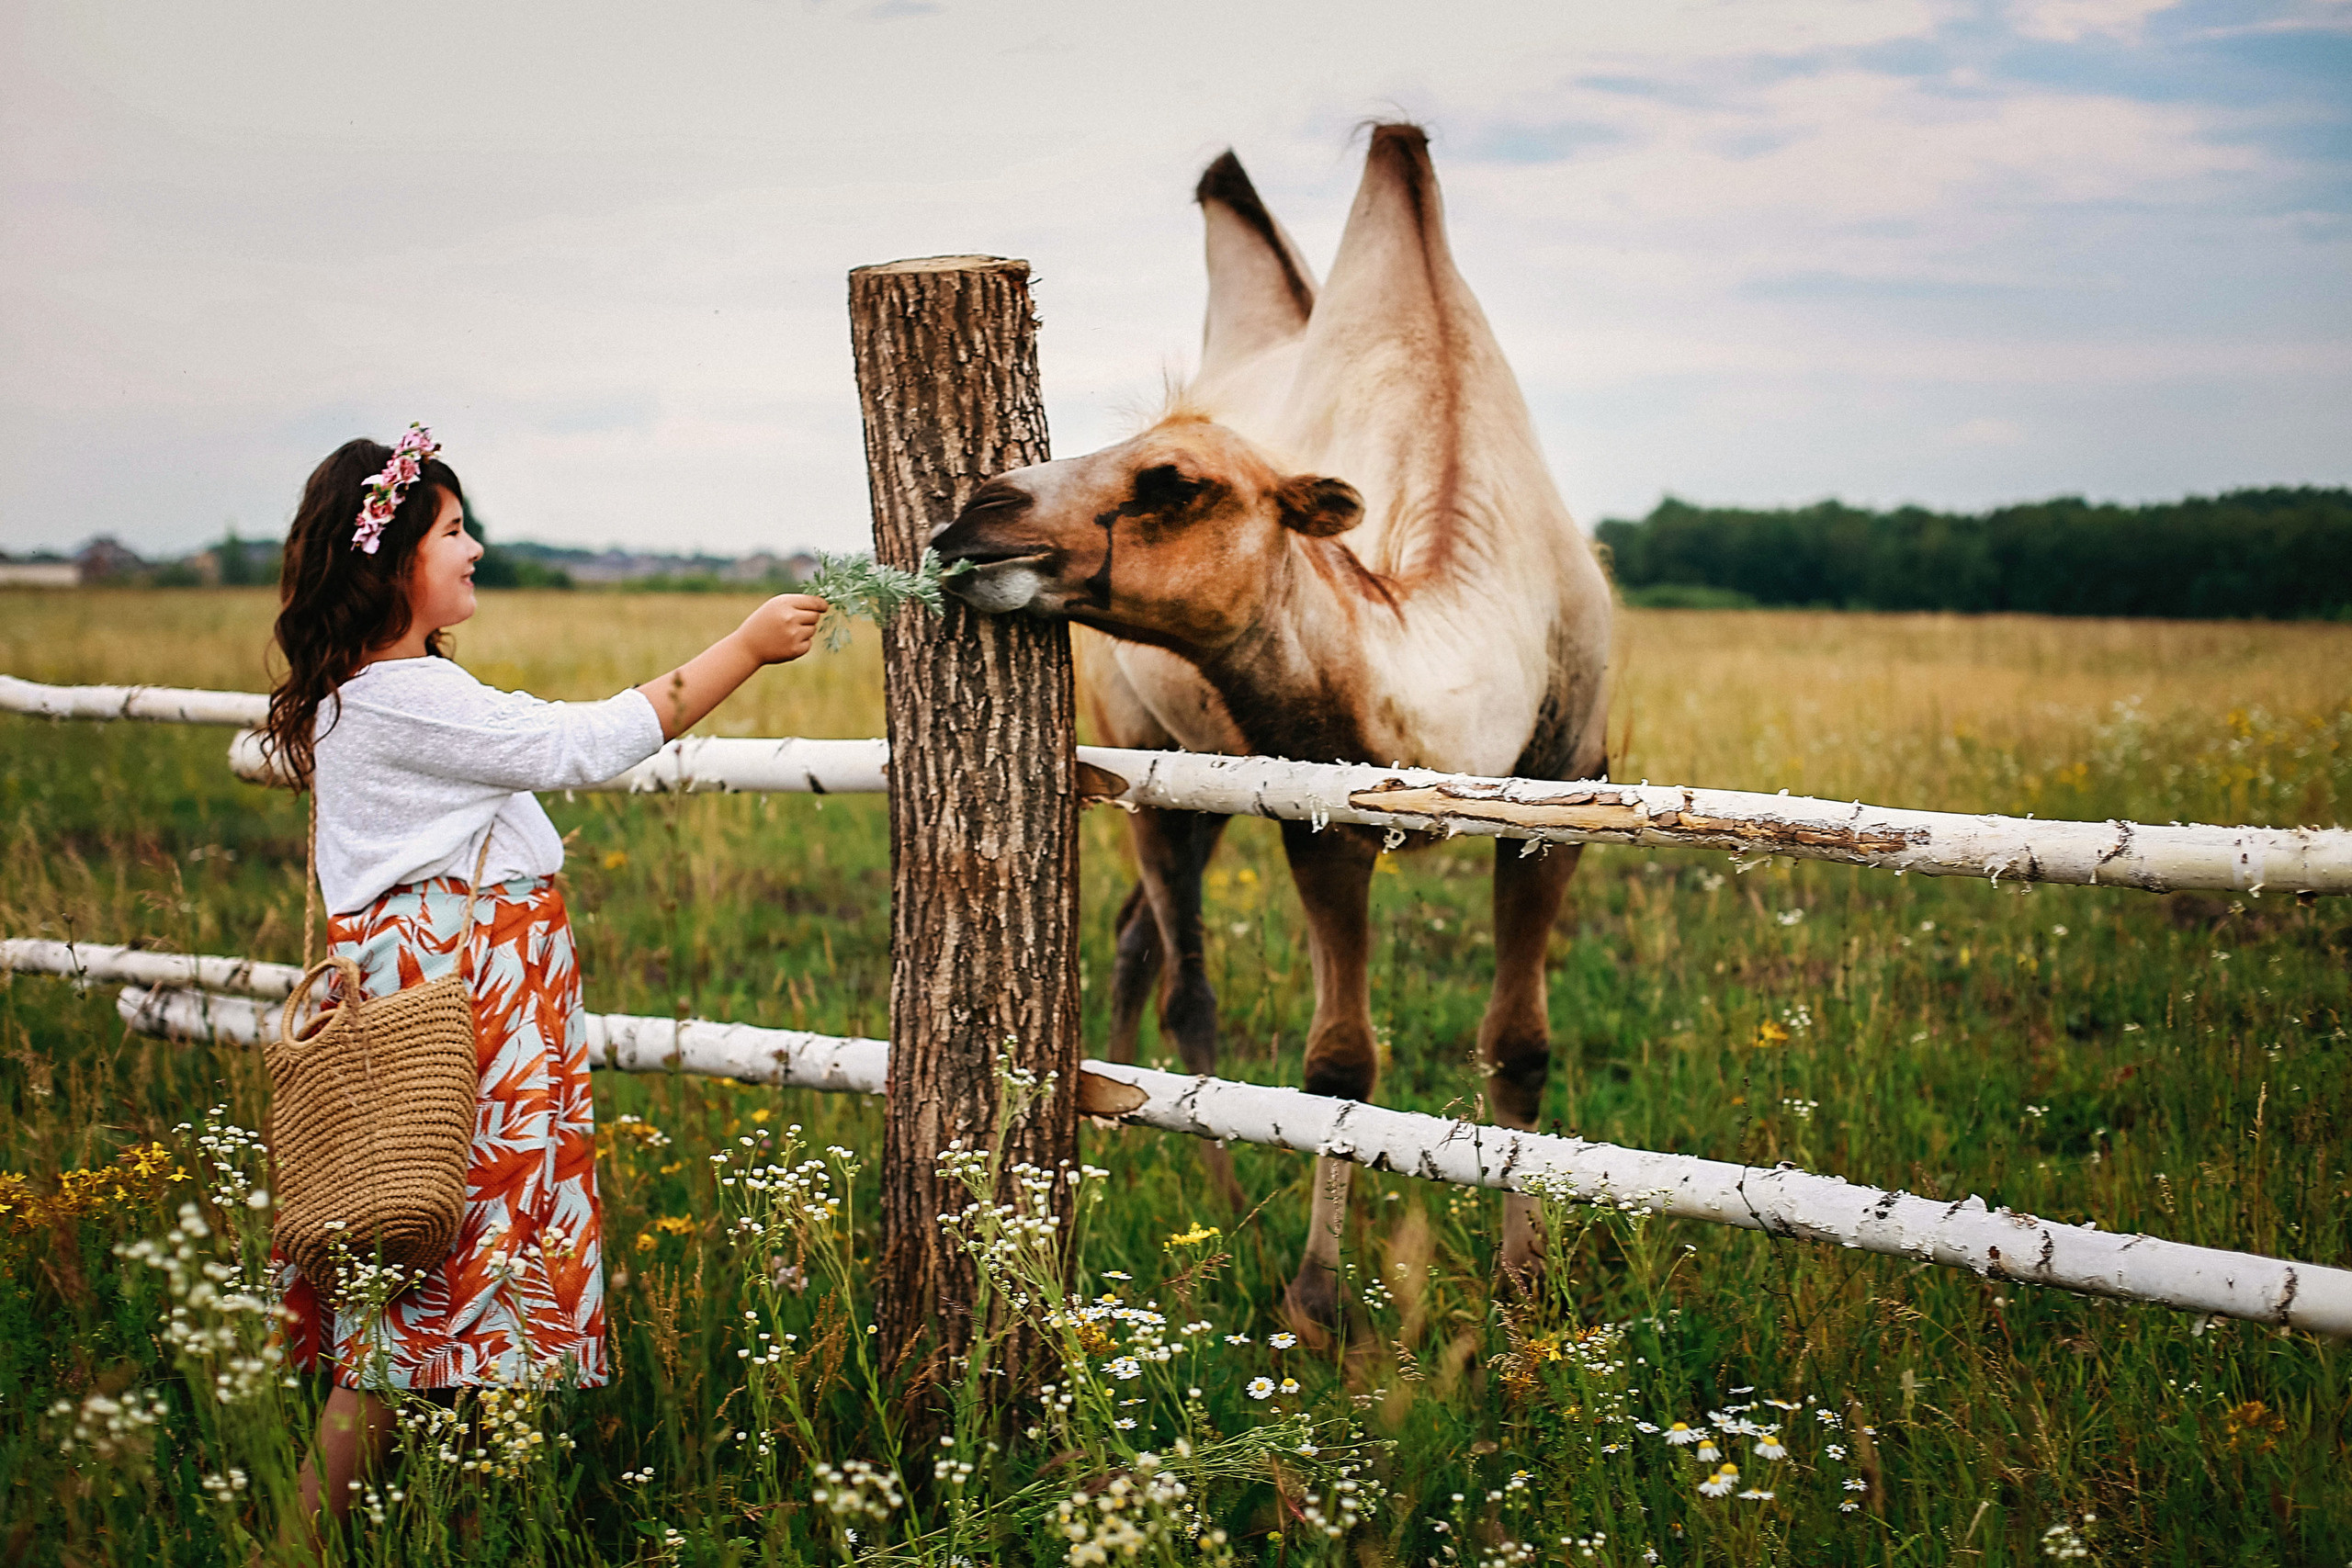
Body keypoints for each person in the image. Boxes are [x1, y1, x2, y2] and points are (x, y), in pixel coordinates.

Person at [258, 425, 825, 1529]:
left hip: (471, 1002)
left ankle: (446, 1523)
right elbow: (586, 742)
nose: (474, 550)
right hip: (460, 1015)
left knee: (448, 1283)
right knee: (422, 1288)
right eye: (454, 531)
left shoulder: (388, 688)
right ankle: (300, 1546)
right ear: (392, 561)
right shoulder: (400, 696)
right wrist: (746, 647)